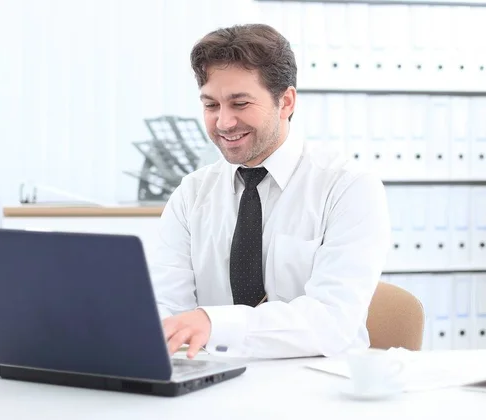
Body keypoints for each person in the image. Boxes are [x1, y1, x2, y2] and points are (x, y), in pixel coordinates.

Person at [149, 23, 391, 360]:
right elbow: (166, 305)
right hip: (212, 385)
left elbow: (332, 322)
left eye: (240, 103)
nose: (224, 122)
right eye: (211, 105)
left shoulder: (348, 188)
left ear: (286, 102)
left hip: (318, 389)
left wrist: (213, 322)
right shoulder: (191, 195)